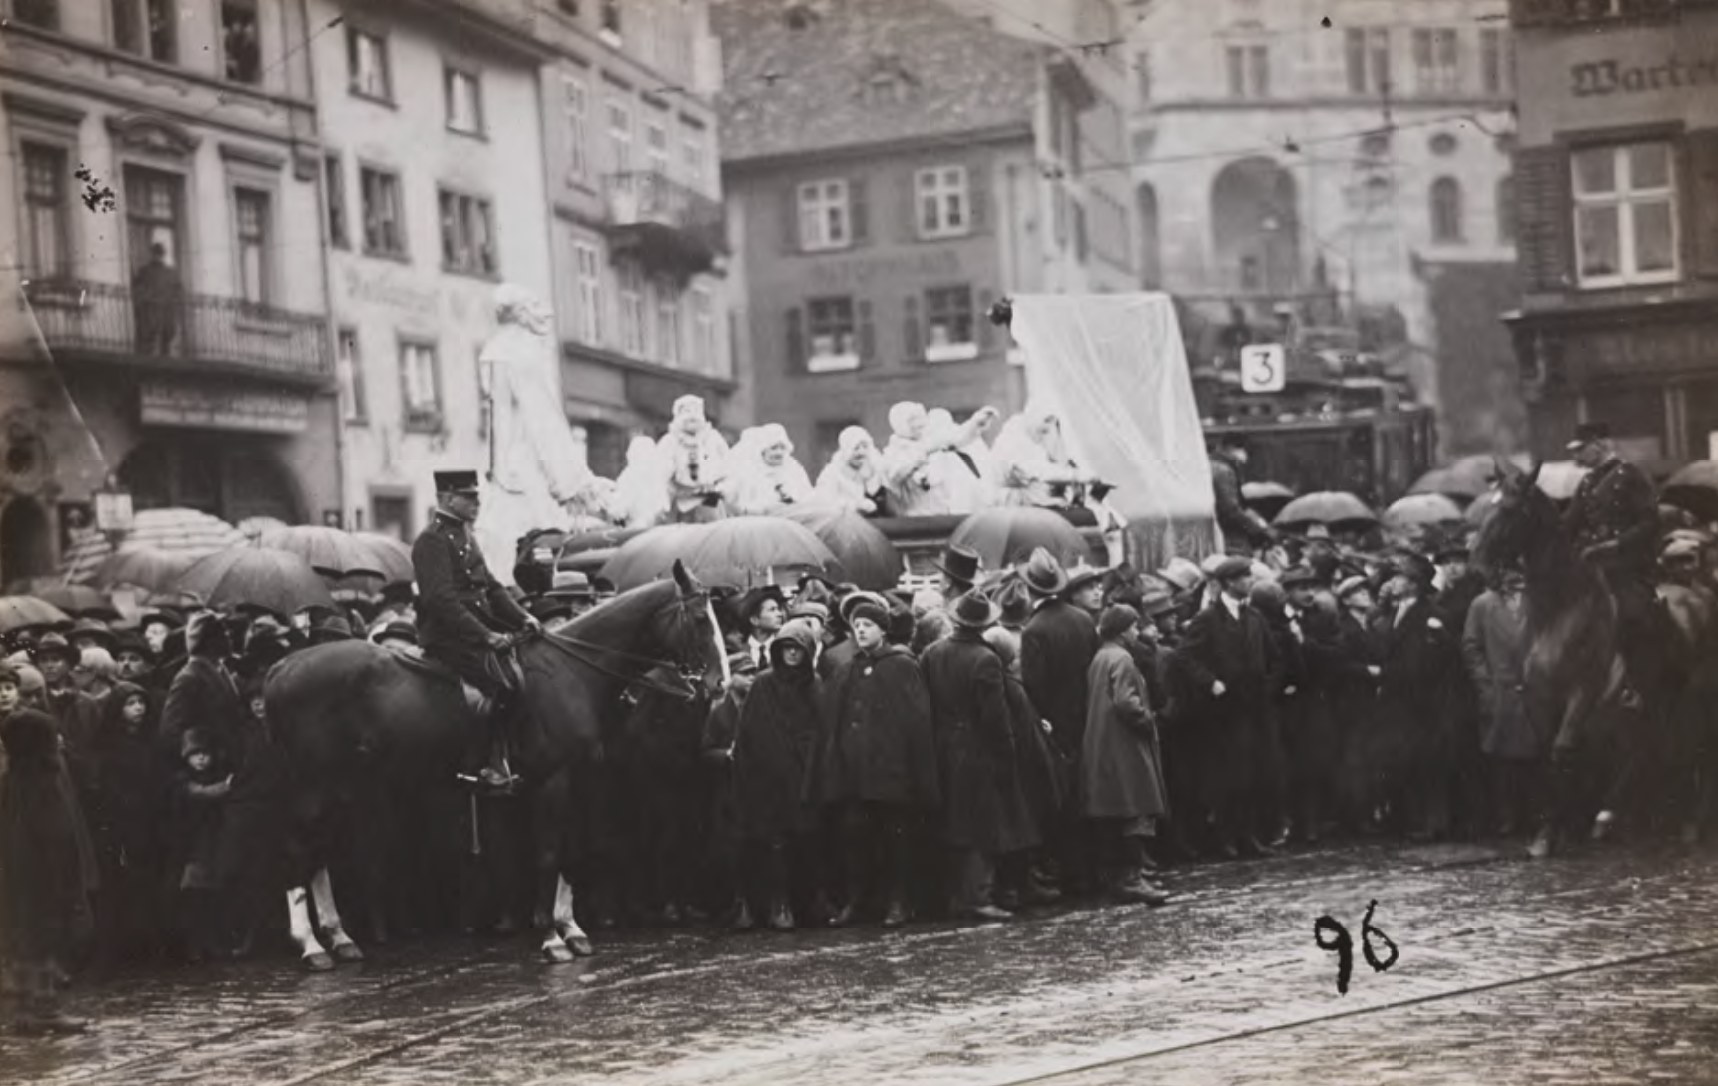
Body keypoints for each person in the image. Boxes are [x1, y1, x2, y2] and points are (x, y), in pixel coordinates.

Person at [807, 593, 940, 928]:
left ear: (883, 630)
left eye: (868, 625)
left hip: (891, 775)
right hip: (854, 777)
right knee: (856, 840)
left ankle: (899, 901)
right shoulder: (846, 669)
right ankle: (859, 900)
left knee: (896, 840)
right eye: (857, 626)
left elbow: (916, 723)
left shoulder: (901, 666)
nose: (862, 631)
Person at [412, 469, 542, 789]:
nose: (477, 501)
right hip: (448, 637)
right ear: (446, 498)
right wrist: (485, 635)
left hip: (473, 630)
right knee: (506, 684)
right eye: (468, 496)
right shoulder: (432, 540)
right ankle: (487, 761)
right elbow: (441, 601)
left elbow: (493, 589)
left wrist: (524, 617)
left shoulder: (466, 535)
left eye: (477, 496)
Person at [473, 285, 601, 580]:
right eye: (535, 305)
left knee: (501, 539)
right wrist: (571, 483)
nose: (547, 313)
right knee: (542, 540)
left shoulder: (495, 350)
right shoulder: (521, 352)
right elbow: (543, 419)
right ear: (519, 313)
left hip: (504, 464)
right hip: (528, 463)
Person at [921, 592, 1032, 923]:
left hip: (941, 746)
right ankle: (978, 897)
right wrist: (1006, 754)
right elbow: (995, 718)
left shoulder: (931, 653)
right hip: (977, 749)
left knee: (953, 822)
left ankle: (958, 896)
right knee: (982, 825)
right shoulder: (985, 659)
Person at [1176, 556, 1281, 857]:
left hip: (1253, 710)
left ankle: (1248, 836)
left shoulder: (1255, 618)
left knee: (1251, 773)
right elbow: (1184, 656)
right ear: (1229, 583)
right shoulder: (1208, 619)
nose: (1250, 581)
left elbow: (1276, 658)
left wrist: (1269, 687)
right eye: (1244, 577)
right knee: (1226, 776)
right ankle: (1225, 838)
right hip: (1222, 713)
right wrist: (1211, 682)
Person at [0, 706, 93, 1034]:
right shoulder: (45, 780)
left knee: (27, 940)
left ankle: (27, 1010)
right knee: (46, 941)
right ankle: (45, 1008)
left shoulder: (13, 778)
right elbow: (58, 835)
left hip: (18, 876)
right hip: (47, 876)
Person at [730, 621, 823, 931]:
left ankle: (805, 902)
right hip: (767, 780)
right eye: (786, 648)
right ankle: (776, 904)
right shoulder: (763, 684)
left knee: (806, 841)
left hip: (803, 776)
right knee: (772, 842)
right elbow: (748, 733)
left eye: (797, 648)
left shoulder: (815, 684)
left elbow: (821, 731)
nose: (792, 654)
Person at [1563, 421, 1663, 704]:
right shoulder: (1586, 483)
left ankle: (1638, 684)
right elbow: (1568, 525)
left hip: (1628, 564)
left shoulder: (1630, 475)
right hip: (1594, 565)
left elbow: (1650, 521)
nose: (1576, 457)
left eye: (1581, 450)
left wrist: (1616, 544)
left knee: (1631, 615)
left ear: (1600, 444)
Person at [1082, 605, 1170, 905]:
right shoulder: (1122, 658)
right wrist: (1149, 719)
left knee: (1116, 812)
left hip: (1104, 744)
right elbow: (1126, 702)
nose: (1137, 632)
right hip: (1125, 745)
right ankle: (1133, 878)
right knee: (1135, 809)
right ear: (1121, 631)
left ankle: (1124, 878)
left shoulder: (1100, 656)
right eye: (1133, 627)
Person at [1462, 568, 1542, 840]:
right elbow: (1471, 647)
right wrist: (1485, 686)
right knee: (1501, 759)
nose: (1515, 577)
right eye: (1508, 570)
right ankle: (1505, 818)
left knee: (1535, 756)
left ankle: (1533, 816)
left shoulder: (1539, 601)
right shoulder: (1483, 604)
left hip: (1534, 689)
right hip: (1499, 690)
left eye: (1520, 569)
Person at [882, 402, 1000, 517]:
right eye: (912, 419)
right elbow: (896, 474)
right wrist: (924, 451)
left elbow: (957, 437)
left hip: (946, 516)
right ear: (900, 424)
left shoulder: (932, 441)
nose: (919, 423)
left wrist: (975, 423)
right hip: (917, 522)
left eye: (920, 417)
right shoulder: (893, 453)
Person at [990, 404, 1096, 509]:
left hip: (1016, 492)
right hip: (1006, 498)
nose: (1042, 437)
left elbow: (1042, 467)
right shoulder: (1015, 437)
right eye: (1043, 431)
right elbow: (1039, 471)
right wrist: (1076, 476)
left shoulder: (1025, 429)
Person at [658, 395, 730, 523]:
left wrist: (720, 486)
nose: (692, 416)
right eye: (687, 411)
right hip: (681, 503)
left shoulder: (713, 438)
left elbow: (729, 467)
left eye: (696, 411)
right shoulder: (669, 441)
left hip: (711, 500)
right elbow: (661, 475)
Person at [726, 423, 814, 516]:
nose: (779, 452)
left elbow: (807, 497)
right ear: (763, 451)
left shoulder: (794, 469)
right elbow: (739, 503)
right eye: (774, 448)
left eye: (782, 448)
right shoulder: (751, 471)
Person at [1208, 437, 1273, 556]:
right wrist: (1257, 529)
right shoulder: (1223, 471)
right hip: (1230, 538)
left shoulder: (1209, 465)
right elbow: (1230, 509)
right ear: (1233, 449)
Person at [815, 425, 887, 515]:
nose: (861, 452)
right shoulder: (833, 471)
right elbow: (825, 501)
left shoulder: (875, 468)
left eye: (865, 447)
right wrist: (854, 505)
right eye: (856, 448)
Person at [132, 241, 183, 355]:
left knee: (157, 341)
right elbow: (177, 292)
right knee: (157, 341)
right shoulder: (148, 272)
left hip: (157, 313)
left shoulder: (145, 272)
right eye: (157, 253)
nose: (157, 256)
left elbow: (177, 292)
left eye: (158, 254)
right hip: (157, 312)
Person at [611, 435, 671, 528]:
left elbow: (620, 507)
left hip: (643, 525)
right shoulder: (630, 475)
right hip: (643, 525)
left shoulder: (654, 476)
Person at [734, 586, 787, 669]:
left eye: (778, 609)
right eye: (772, 610)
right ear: (754, 620)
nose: (779, 614)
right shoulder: (737, 651)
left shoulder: (784, 648)